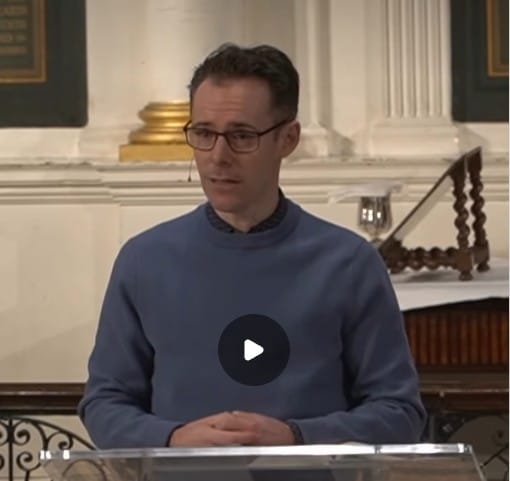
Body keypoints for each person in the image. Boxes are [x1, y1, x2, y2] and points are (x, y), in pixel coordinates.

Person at [78, 43, 426, 449]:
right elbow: (104, 403)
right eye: (203, 133)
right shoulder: (144, 261)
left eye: (241, 136)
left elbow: (399, 411)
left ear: (288, 139)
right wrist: (172, 439)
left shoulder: (348, 263)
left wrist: (297, 437)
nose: (218, 157)